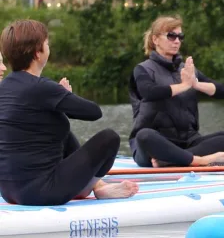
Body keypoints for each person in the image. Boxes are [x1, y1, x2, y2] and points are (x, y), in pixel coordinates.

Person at [0, 20, 138, 205]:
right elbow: (94, 112)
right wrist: (64, 97)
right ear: (37, 53)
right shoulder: (43, 88)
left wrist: (58, 105)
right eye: (47, 44)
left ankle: (97, 186)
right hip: (41, 192)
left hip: (8, 192)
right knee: (109, 138)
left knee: (62, 130)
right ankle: (91, 186)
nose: (48, 48)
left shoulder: (4, 87)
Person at [128, 15, 224, 167]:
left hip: (189, 142)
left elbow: (222, 91)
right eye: (171, 36)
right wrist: (184, 85)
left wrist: (195, 84)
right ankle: (198, 160)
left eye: (180, 37)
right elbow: (149, 92)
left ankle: (171, 161)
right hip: (155, 145)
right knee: (144, 135)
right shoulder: (142, 70)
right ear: (155, 40)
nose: (176, 41)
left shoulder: (187, 70)